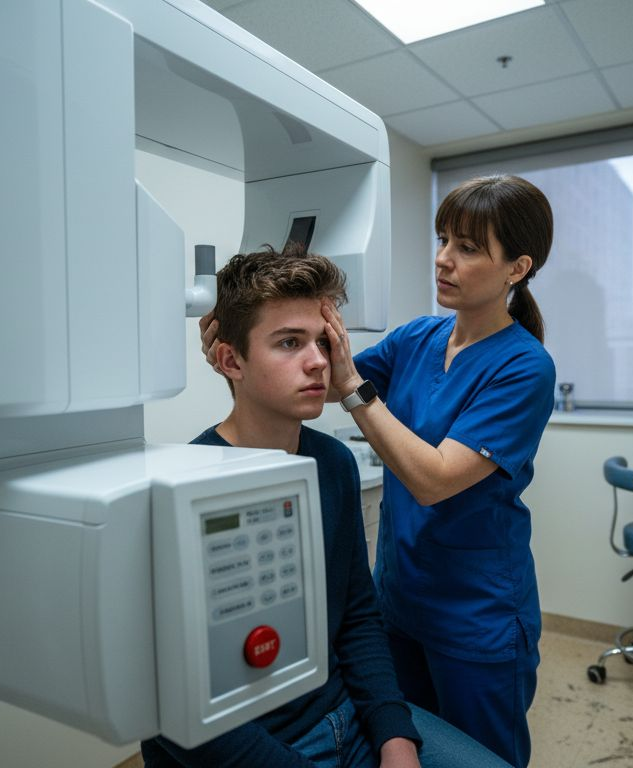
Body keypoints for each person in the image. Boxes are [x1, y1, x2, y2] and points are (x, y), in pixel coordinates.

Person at [144, 244, 510, 768]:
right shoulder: (185, 485)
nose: (320, 362)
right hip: (258, 744)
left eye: (323, 341)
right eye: (290, 342)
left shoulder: (334, 464)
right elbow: (179, 715)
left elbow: (357, 617)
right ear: (230, 359)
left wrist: (396, 738)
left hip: (346, 716)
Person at [318, 174, 556, 767]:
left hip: (476, 617)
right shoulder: (417, 338)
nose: (444, 259)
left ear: (517, 268)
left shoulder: (526, 367)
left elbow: (433, 479)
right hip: (399, 599)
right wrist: (253, 343)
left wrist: (354, 390)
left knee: (480, 759)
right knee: (406, 747)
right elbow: (323, 380)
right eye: (443, 238)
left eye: (469, 247)